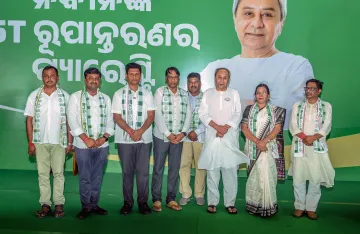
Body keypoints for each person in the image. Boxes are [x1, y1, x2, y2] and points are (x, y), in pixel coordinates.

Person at [200, 0, 313, 129]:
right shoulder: (214, 69)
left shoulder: (295, 66)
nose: (257, 24)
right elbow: (204, 113)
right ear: (234, 19)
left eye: (267, 15)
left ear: (282, 22)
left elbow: (291, 118)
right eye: (248, 13)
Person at [198, 68, 249, 214]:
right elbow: (203, 113)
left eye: (225, 77)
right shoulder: (208, 93)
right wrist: (217, 127)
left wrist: (225, 128)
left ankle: (230, 203)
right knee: (212, 170)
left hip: (229, 136)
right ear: (215, 78)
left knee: (230, 170)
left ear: (229, 79)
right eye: (219, 77)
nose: (222, 80)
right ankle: (212, 202)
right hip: (212, 136)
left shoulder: (234, 93)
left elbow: (238, 114)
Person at [24, 65, 72, 218]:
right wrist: (31, 142)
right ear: (42, 78)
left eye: (52, 75)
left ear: (57, 78)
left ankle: (58, 204)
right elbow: (29, 120)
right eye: (46, 75)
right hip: (40, 141)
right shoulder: (34, 96)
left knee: (59, 174)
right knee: (43, 174)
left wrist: (70, 142)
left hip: (60, 141)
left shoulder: (65, 96)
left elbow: (70, 121)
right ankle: (45, 204)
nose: (49, 78)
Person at [67, 67, 114, 219]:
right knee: (85, 177)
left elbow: (110, 121)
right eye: (90, 78)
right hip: (82, 145)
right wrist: (85, 139)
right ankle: (85, 206)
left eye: (96, 78)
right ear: (85, 80)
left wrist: (104, 138)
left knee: (97, 177)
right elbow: (72, 120)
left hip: (102, 146)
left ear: (100, 80)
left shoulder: (106, 98)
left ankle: (94, 204)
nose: (94, 80)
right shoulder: (75, 97)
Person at [112, 62, 155, 215]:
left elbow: (151, 116)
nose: (134, 76)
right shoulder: (118, 94)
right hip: (124, 140)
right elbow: (117, 117)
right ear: (126, 75)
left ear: (141, 76)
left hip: (145, 139)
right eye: (131, 74)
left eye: (137, 74)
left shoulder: (148, 93)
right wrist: (131, 131)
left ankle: (143, 203)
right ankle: (127, 203)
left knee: (143, 172)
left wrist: (140, 131)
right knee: (127, 172)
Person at [288, 78, 335, 220]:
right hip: (300, 145)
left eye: (312, 89)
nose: (309, 91)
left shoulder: (326, 106)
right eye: (307, 88)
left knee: (315, 177)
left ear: (319, 91)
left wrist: (313, 138)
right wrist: (304, 137)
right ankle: (299, 207)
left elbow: (326, 125)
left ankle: (311, 208)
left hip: (316, 146)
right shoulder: (297, 105)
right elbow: (293, 125)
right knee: (298, 177)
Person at [241, 83, 286, 217]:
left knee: (266, 177)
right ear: (255, 96)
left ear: (268, 95)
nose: (260, 95)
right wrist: (257, 142)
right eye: (258, 93)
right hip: (252, 148)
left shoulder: (275, 110)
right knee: (253, 178)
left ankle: (268, 205)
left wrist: (264, 142)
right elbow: (244, 128)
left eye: (263, 92)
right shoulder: (249, 109)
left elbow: (277, 128)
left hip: (267, 149)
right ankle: (254, 205)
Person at [151, 67, 192, 212]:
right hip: (162, 137)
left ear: (179, 78)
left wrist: (183, 133)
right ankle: (156, 199)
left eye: (175, 77)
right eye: (170, 77)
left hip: (179, 138)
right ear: (166, 78)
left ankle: (171, 199)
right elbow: (157, 115)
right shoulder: (160, 92)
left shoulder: (184, 94)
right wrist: (168, 134)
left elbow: (188, 115)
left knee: (174, 168)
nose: (173, 80)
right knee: (158, 168)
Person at [178, 72, 206, 206]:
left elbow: (209, 118)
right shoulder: (182, 97)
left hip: (201, 137)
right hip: (184, 138)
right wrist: (188, 132)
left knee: (201, 166)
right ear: (187, 84)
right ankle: (185, 193)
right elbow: (179, 117)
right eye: (190, 82)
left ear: (200, 83)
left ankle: (199, 194)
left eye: (196, 82)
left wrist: (197, 131)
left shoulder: (206, 98)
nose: (193, 84)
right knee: (184, 165)